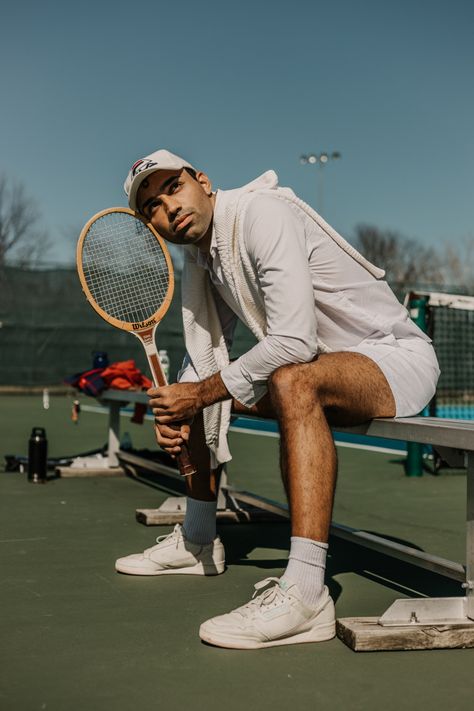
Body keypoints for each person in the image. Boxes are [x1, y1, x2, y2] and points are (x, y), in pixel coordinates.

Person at [115, 149, 440, 649]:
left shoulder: (262, 214)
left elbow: (294, 343)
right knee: (205, 388)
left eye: (173, 187)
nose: (169, 207)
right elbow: (203, 358)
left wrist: (198, 392)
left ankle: (307, 595)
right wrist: (178, 407)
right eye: (152, 207)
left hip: (393, 360)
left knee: (288, 379)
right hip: (321, 368)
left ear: (201, 180)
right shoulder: (203, 256)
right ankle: (198, 539)